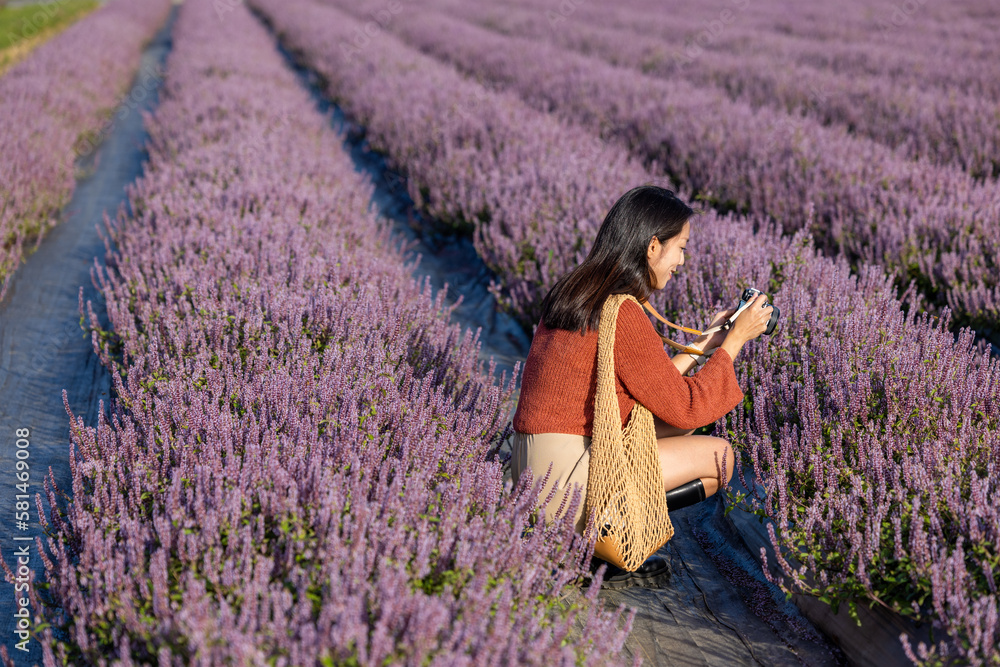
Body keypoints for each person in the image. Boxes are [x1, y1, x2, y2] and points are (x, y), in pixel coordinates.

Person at [510, 185, 773, 586]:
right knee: (720, 457)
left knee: (675, 427)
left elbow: (656, 386)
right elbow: (688, 407)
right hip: (571, 483)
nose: (682, 261)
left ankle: (586, 537)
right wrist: (735, 343)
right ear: (653, 246)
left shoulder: (578, 291)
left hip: (531, 471)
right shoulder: (623, 310)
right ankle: (603, 541)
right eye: (680, 248)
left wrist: (705, 344)